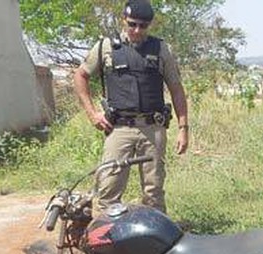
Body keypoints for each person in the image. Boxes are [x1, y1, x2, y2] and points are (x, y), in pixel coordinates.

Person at [73, 0, 189, 214]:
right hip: (119, 129)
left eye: (143, 26)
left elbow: (176, 88)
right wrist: (92, 114)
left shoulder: (161, 49)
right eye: (132, 24)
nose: (137, 30)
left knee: (154, 191)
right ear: (123, 20)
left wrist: (183, 128)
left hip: (152, 128)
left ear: (150, 25)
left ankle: (154, 242)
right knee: (109, 189)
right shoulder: (106, 47)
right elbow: (80, 75)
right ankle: (110, 242)